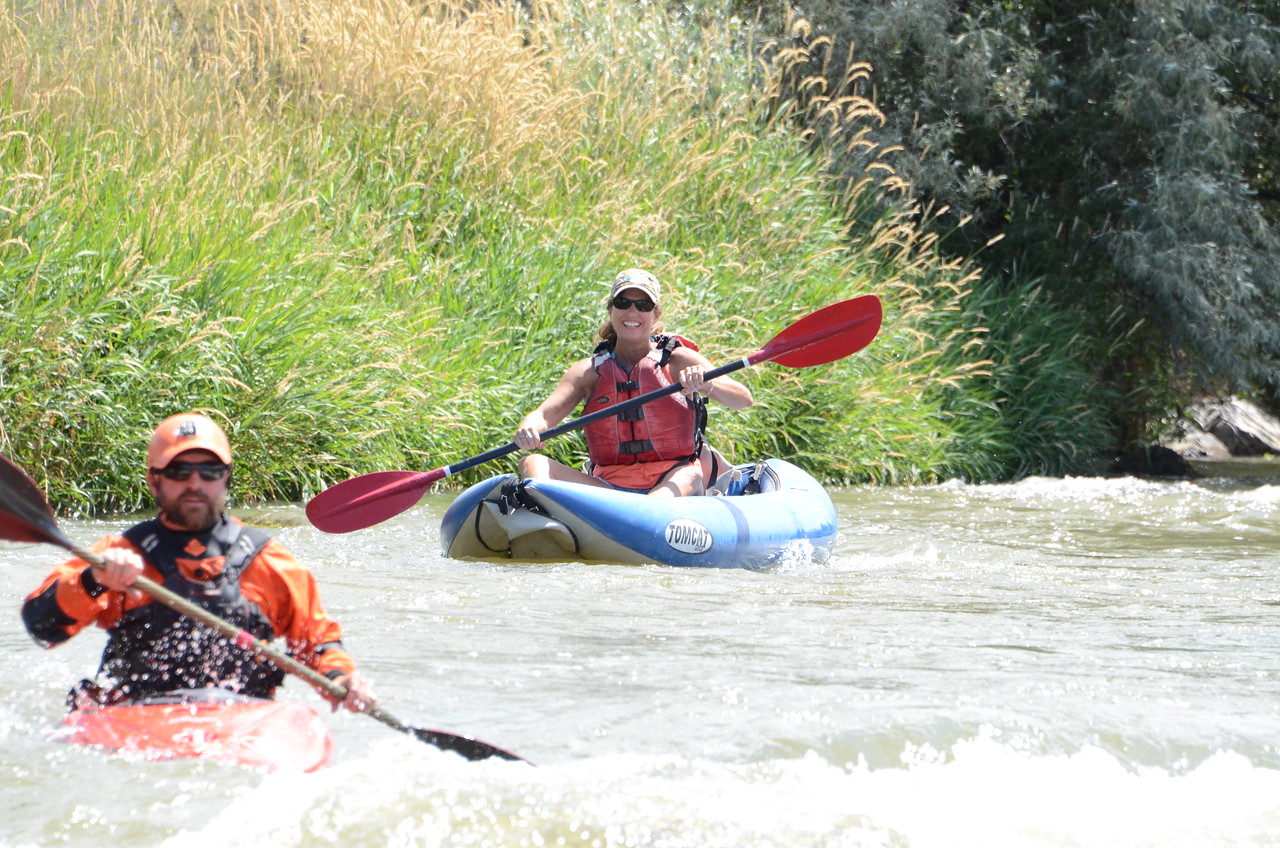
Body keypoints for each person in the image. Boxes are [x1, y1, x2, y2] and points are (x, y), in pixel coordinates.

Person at [21, 412, 376, 713]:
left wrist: (341, 679)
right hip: (139, 717)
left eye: (209, 471)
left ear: (226, 477)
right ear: (153, 480)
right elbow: (42, 627)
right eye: (178, 471)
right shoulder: (117, 554)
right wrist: (93, 580)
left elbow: (319, 644)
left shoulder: (270, 562)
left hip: (241, 722)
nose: (195, 483)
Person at [514, 269, 753, 496]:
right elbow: (544, 415)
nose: (632, 312)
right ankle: (547, 525)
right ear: (611, 309)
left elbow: (742, 399)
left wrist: (705, 384)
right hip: (608, 489)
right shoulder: (589, 372)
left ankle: (645, 516)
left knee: (690, 475)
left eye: (643, 305)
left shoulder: (678, 360)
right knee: (532, 462)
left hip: (673, 481)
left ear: (655, 314)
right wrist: (529, 428)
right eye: (623, 303)